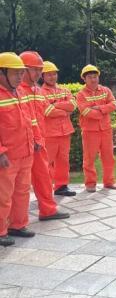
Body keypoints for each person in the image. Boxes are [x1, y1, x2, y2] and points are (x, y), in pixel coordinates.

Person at [19, 51, 70, 222]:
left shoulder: (37, 91)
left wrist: (39, 139)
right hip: (22, 145)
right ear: (23, 69)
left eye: (40, 70)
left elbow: (41, 117)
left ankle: (48, 210)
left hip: (39, 143)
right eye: (35, 69)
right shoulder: (17, 91)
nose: (38, 73)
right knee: (18, 185)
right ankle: (13, 222)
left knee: (44, 177)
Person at [0, 53, 38, 246]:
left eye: (21, 73)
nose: (19, 77)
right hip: (7, 156)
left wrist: (36, 139)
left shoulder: (21, 92)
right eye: (15, 73)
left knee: (22, 191)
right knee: (3, 195)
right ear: (2, 73)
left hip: (25, 152)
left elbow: (30, 119)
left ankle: (18, 225)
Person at [76, 64, 116, 192]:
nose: (93, 79)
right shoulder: (81, 94)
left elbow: (113, 104)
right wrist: (103, 112)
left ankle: (109, 182)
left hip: (106, 129)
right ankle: (90, 183)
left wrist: (99, 108)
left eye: (95, 76)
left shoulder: (106, 90)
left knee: (109, 157)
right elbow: (85, 111)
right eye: (90, 77)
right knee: (89, 158)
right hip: (90, 131)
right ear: (84, 79)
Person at [40, 61, 77, 197]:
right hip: (49, 133)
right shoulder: (40, 92)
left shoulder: (64, 90)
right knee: (46, 162)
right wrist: (65, 111)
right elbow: (48, 111)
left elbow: (73, 105)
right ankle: (45, 189)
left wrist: (56, 105)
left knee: (63, 160)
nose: (52, 77)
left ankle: (61, 186)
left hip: (65, 131)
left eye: (54, 74)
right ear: (43, 76)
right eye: (49, 74)